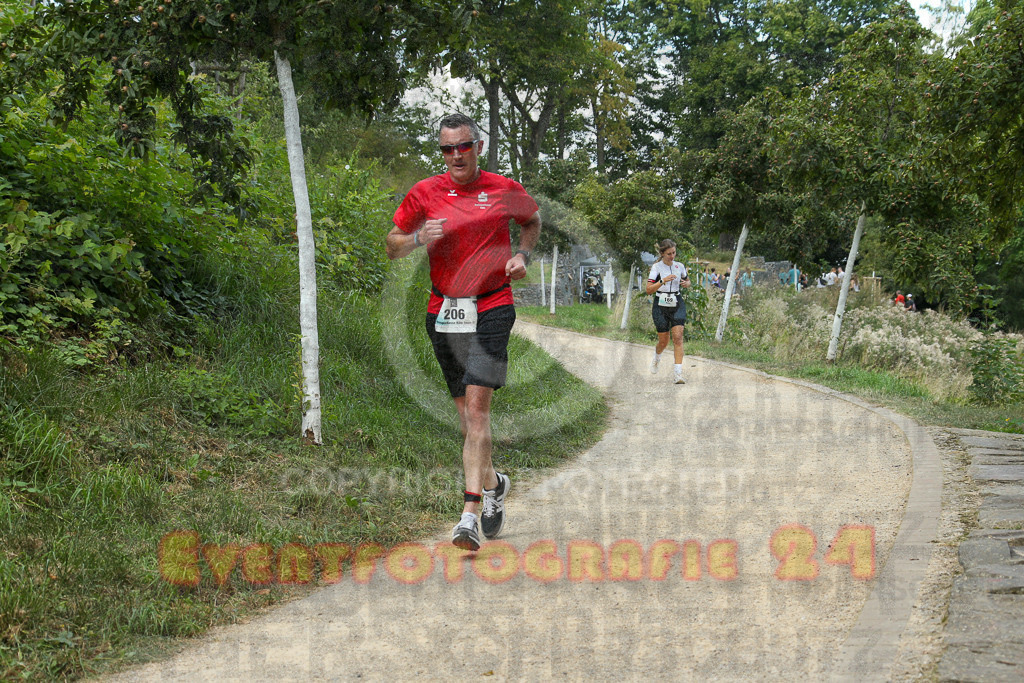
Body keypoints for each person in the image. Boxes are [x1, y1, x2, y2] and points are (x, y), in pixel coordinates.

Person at [385, 113, 541, 552]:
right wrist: (418, 239)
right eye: (447, 148)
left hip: (492, 304)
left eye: (464, 146)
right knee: (468, 419)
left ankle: (469, 515)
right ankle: (494, 484)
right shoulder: (425, 194)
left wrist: (522, 256)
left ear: (479, 146)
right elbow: (392, 244)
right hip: (446, 310)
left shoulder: (503, 189)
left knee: (476, 411)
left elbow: (532, 221)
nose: (456, 155)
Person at [647, 239, 691, 384]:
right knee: (664, 341)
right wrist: (663, 281)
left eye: (674, 253)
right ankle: (656, 358)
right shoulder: (656, 267)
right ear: (662, 253)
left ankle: (678, 374)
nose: (672, 256)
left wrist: (686, 284)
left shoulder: (680, 266)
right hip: (660, 304)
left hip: (677, 302)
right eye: (668, 254)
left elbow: (687, 280)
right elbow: (648, 290)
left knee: (678, 337)